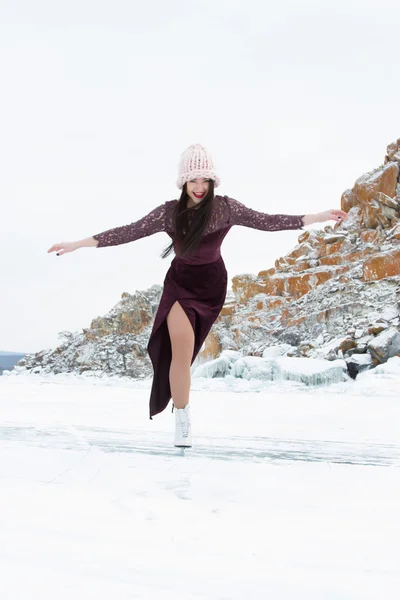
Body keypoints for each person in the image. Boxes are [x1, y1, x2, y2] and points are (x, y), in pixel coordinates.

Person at [48, 143, 348, 448]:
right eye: (194, 180)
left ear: (213, 182)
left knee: (187, 354)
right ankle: (182, 416)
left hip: (211, 286)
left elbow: (267, 221)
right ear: (183, 182)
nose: (200, 187)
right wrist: (77, 244)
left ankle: (182, 408)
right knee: (181, 350)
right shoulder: (169, 213)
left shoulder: (226, 209)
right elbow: (128, 231)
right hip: (180, 285)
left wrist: (320, 216)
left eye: (205, 180)